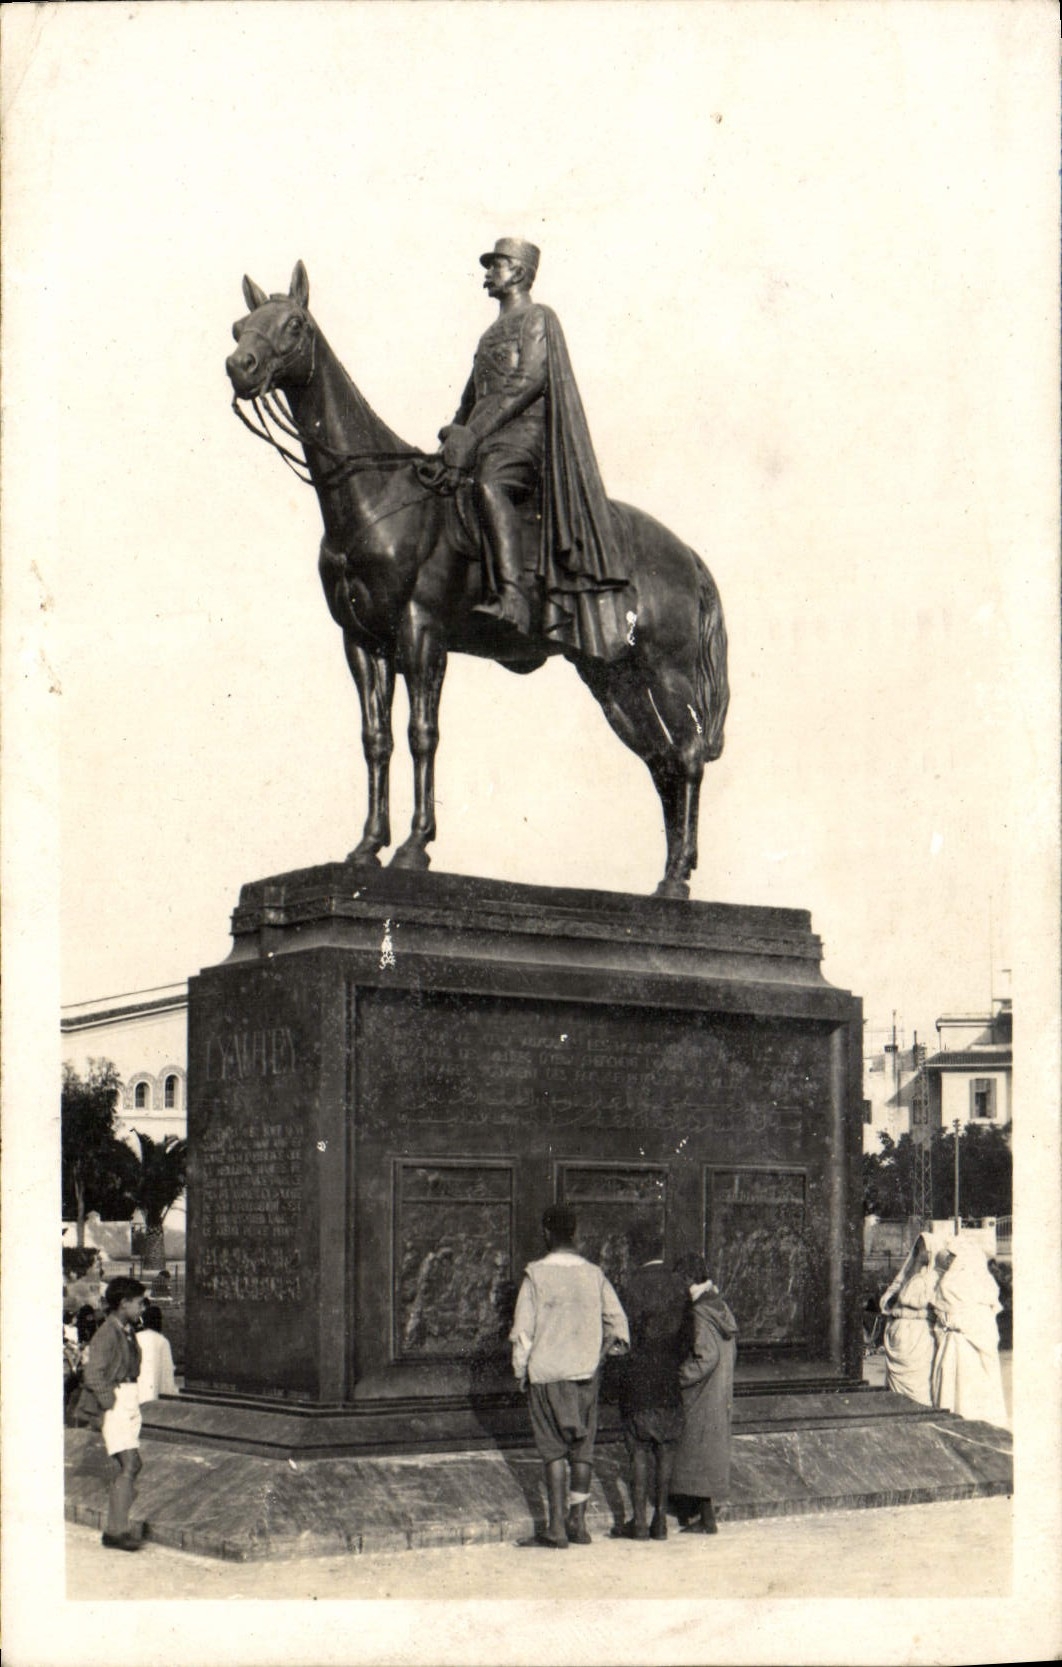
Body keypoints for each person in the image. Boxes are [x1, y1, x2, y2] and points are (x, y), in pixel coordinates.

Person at [437, 237, 631, 652]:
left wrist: (473, 434)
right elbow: (470, 400)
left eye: (497, 264)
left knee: (489, 484)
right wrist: (453, 439)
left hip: (526, 437)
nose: (488, 272)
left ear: (519, 272)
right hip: (489, 437)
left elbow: (528, 381)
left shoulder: (537, 317)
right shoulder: (488, 334)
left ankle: (513, 598)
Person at [509, 1203, 630, 1548]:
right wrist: (599, 1357)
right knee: (582, 1451)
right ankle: (578, 1522)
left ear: (546, 1233)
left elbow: (523, 1333)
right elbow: (619, 1326)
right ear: (575, 1233)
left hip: (547, 1374)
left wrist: (520, 1370)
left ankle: (556, 1527)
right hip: (586, 1375)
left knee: (553, 1452)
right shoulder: (595, 1274)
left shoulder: (535, 1275)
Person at [614, 1223, 689, 1541]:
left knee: (639, 1451)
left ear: (637, 1250)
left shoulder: (629, 1286)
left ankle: (640, 1522)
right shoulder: (679, 1285)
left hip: (637, 1379)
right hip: (668, 1379)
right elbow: (688, 1338)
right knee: (666, 1450)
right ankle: (661, 1520)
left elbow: (622, 1335)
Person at [669, 1252, 738, 1535]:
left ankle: (706, 1518)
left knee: (695, 1449)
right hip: (718, 1389)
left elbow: (706, 1357)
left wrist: (678, 1377)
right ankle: (702, 1514)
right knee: (706, 1450)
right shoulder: (719, 1306)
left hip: (701, 1392)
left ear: (687, 1278)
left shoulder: (699, 1311)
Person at [79, 1276, 148, 1551]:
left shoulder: (126, 1330)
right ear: (123, 1303)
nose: (143, 1307)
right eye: (139, 1302)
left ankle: (117, 1527)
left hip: (129, 1400)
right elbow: (93, 1374)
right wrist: (110, 1402)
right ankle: (116, 1531)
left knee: (131, 1465)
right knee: (130, 1464)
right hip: (118, 1401)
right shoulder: (107, 1333)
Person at [931, 1237, 1007, 1426]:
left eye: (953, 1256)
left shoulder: (976, 1287)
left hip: (966, 1349)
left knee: (968, 1393)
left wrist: (953, 1322)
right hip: (952, 1346)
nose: (949, 1260)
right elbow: (941, 1312)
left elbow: (980, 1324)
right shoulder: (950, 1283)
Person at [879, 1231, 943, 1406]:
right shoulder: (907, 1275)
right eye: (918, 1248)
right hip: (899, 1335)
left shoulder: (935, 1278)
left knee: (918, 1386)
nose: (920, 1252)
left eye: (924, 1249)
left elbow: (936, 1308)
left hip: (920, 1337)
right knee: (895, 1395)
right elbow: (888, 1300)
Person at [136, 1303, 178, 1403]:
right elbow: (167, 1372)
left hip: (135, 1392)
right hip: (153, 1394)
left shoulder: (135, 1337)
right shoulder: (162, 1341)